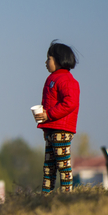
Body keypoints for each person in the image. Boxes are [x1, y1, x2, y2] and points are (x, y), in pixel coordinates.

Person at [33, 41, 80, 194]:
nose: (46, 62)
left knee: (62, 165)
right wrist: (43, 120)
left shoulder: (66, 80)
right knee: (49, 166)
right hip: (51, 129)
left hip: (61, 128)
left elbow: (70, 103)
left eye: (49, 58)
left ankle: (66, 195)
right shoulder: (52, 79)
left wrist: (49, 114)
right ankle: (46, 195)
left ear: (59, 60)